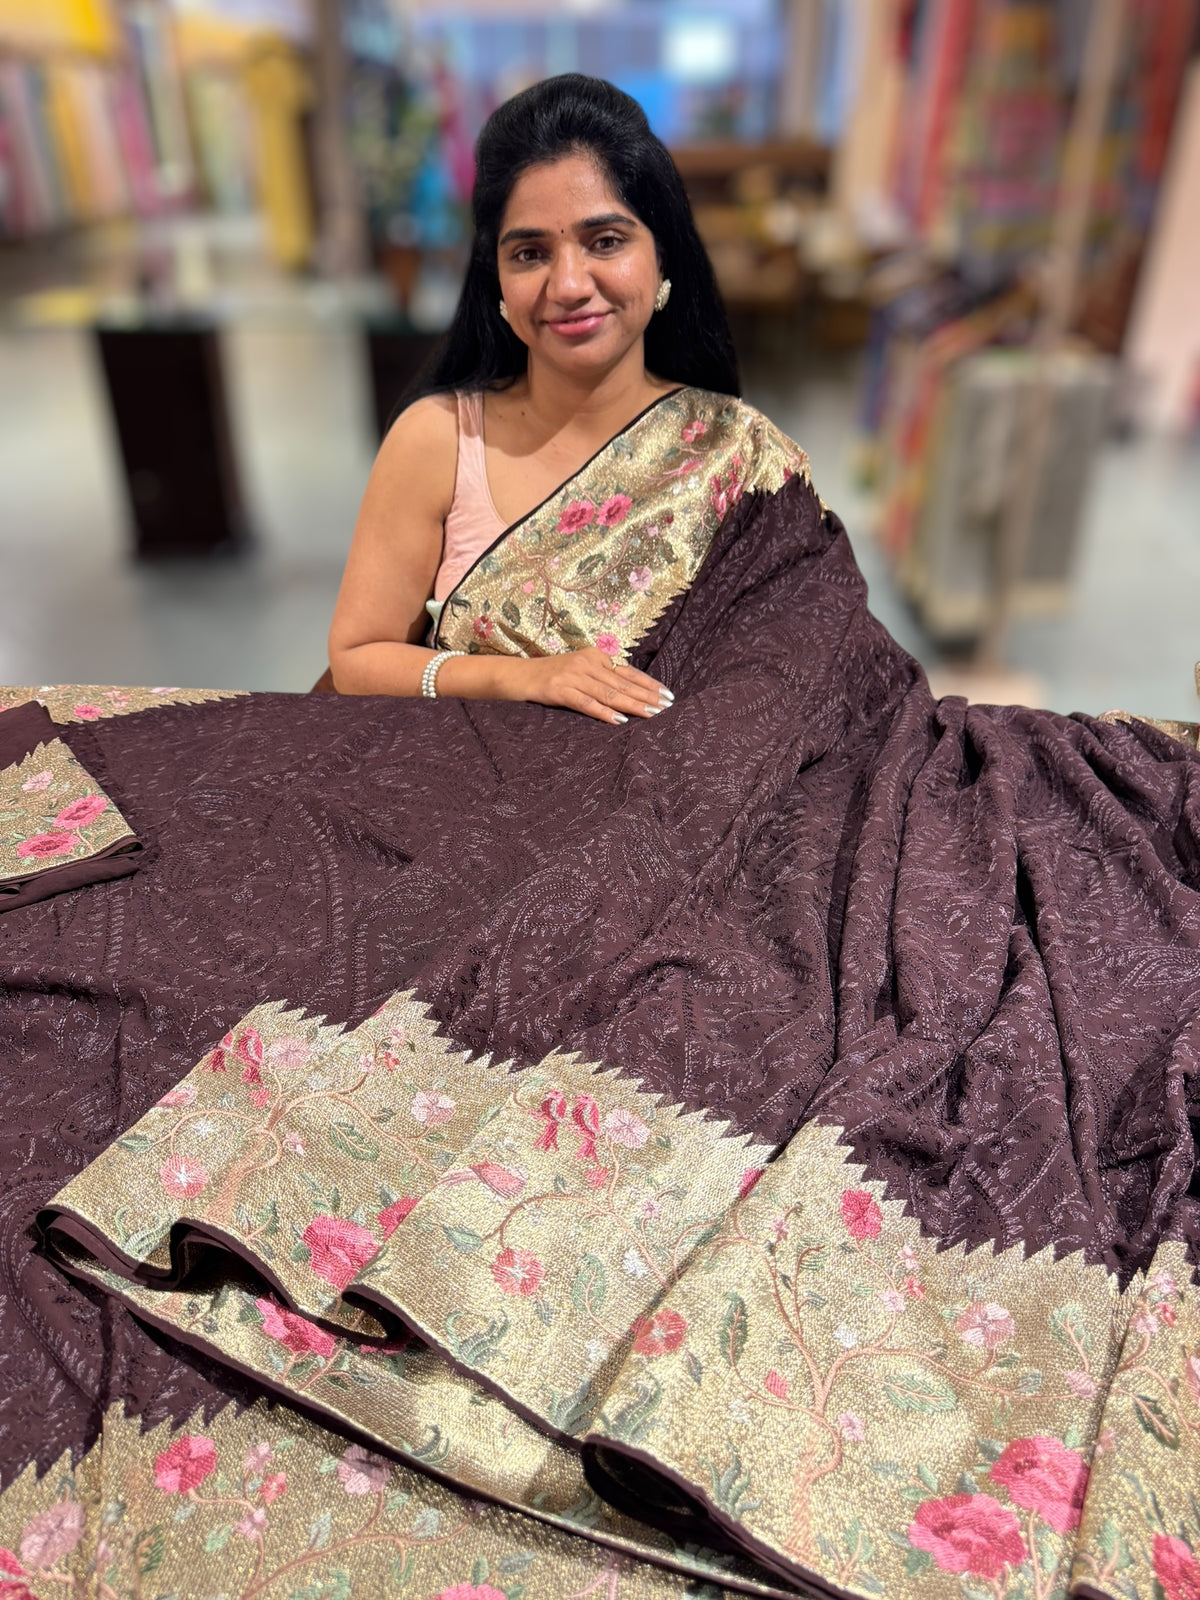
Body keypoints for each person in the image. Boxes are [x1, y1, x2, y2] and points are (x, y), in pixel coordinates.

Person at [327, 75, 801, 724]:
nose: (570, 284)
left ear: (662, 257)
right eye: (529, 253)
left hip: (690, 807)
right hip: (465, 806)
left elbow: (804, 677)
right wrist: (525, 678)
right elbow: (357, 657)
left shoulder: (739, 454)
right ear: (494, 276)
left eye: (605, 241)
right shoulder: (439, 438)